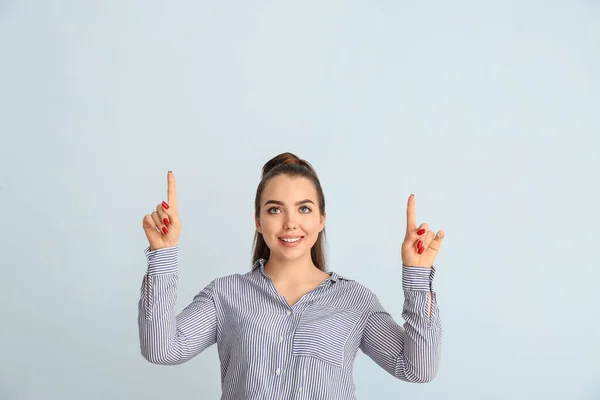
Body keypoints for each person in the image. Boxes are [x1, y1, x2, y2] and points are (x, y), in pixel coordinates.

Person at [138, 152, 445, 400]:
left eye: (304, 209)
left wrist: (417, 276)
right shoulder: (225, 294)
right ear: (258, 221)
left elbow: (418, 368)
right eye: (274, 210)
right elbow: (162, 348)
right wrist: (163, 254)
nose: (290, 223)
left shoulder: (355, 301)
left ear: (322, 219)